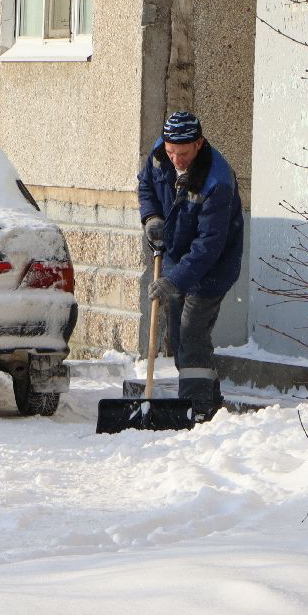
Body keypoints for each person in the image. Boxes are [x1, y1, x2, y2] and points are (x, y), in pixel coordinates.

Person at [136, 111, 244, 420]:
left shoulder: (217, 181)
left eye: (182, 154)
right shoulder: (161, 155)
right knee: (179, 338)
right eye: (171, 152)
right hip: (175, 258)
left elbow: (209, 245)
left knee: (192, 332)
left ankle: (195, 409)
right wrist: (151, 217)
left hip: (212, 267)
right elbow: (146, 186)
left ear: (199, 144)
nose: (175, 159)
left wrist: (175, 280)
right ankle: (209, 400)